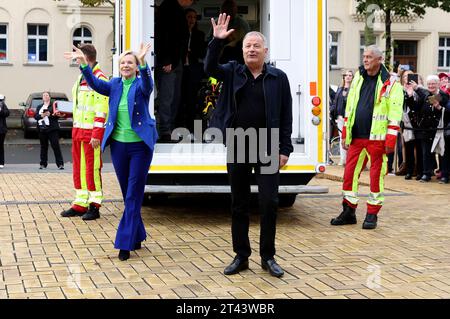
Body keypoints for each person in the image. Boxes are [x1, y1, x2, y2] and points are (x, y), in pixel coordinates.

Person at [205, 14, 293, 277]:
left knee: (269, 202)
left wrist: (284, 148)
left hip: (267, 145)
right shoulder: (232, 71)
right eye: (247, 46)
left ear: (265, 51)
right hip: (239, 143)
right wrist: (216, 42)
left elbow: (287, 115)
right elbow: (210, 68)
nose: (251, 49)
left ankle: (268, 257)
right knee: (239, 203)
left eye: (256, 46)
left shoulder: (278, 78)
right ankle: (241, 255)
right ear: (242, 50)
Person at [66, 43, 157, 261]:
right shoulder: (115, 84)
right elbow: (96, 85)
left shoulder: (140, 85)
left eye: (130, 62)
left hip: (140, 148)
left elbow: (148, 85)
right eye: (123, 62)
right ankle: (137, 234)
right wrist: (84, 65)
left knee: (134, 193)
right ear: (119, 67)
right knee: (129, 195)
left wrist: (144, 63)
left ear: (135, 67)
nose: (126, 65)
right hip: (118, 146)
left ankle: (124, 243)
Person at [330, 45, 404, 230]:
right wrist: (346, 131)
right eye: (364, 56)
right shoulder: (358, 76)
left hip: (377, 139)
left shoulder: (392, 83)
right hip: (356, 137)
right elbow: (351, 106)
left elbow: (395, 113)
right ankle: (348, 211)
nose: (365, 59)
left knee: (376, 176)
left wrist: (391, 139)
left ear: (379, 59)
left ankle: (372, 213)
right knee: (349, 175)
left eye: (369, 57)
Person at [61, 44, 109, 221]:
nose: (75, 60)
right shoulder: (81, 76)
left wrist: (97, 133)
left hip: (91, 135)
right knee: (79, 169)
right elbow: (80, 106)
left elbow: (101, 109)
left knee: (92, 169)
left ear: (85, 57)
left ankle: (94, 205)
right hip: (78, 131)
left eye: (77, 57)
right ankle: (80, 203)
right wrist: (65, 112)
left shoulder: (99, 78)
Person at [155, 0, 193, 142]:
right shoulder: (169, 8)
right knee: (168, 97)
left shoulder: (174, 9)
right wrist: (167, 60)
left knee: (174, 97)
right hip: (170, 62)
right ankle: (165, 131)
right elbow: (163, 35)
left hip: (176, 61)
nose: (191, 2)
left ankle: (169, 129)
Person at [415, 75, 449, 182]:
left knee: (442, 153)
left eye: (433, 83)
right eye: (429, 84)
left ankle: (445, 175)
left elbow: (445, 110)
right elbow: (419, 108)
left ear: (438, 84)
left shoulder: (443, 95)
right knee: (426, 152)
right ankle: (426, 173)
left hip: (439, 129)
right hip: (426, 128)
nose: (431, 86)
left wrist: (439, 107)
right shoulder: (426, 94)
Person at [178, 8, 206, 132]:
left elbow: (202, 53)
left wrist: (189, 52)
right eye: (189, 17)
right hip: (180, 69)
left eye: (194, 17)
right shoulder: (179, 33)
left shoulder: (200, 34)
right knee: (179, 98)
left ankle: (191, 127)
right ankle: (178, 126)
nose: (192, 20)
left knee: (191, 99)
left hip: (194, 70)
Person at [400, 70, 424, 180]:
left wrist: (414, 90)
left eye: (410, 76)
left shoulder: (421, 90)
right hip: (406, 122)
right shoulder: (400, 90)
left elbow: (418, 105)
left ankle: (419, 171)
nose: (407, 78)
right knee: (408, 147)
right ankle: (409, 170)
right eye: (405, 76)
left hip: (418, 123)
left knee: (419, 148)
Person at [34, 92, 65, 170]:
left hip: (52, 129)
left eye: (47, 95)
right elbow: (35, 116)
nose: (45, 96)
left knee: (55, 146)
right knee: (43, 147)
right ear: (42, 98)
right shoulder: (39, 107)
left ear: (49, 97)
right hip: (42, 129)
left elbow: (58, 115)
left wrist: (49, 114)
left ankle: (60, 164)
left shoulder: (54, 106)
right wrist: (42, 115)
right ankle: (43, 164)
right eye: (44, 95)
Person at [332, 70, 354, 166]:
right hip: (340, 117)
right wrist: (332, 111)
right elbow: (335, 102)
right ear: (344, 77)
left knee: (350, 139)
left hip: (349, 118)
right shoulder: (340, 89)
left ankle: (350, 159)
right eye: (346, 75)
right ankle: (342, 159)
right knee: (341, 139)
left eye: (350, 75)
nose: (348, 77)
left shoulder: (354, 89)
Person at [0, 94, 9, 169]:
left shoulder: (3, 106)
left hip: (1, 129)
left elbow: (7, 113)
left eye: (1, 100)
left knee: (0, 146)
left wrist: (1, 110)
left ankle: (1, 162)